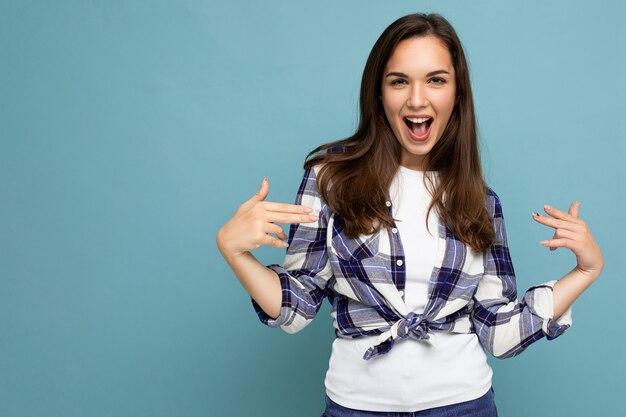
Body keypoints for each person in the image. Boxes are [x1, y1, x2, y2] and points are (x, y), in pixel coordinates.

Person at [216, 12, 604, 417]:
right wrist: (234, 252)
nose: (417, 99)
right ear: (379, 95)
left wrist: (585, 273)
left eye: (436, 80)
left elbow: (500, 333)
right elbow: (296, 307)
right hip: (355, 407)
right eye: (399, 81)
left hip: (463, 406)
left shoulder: (480, 201)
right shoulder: (331, 179)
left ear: (457, 95)